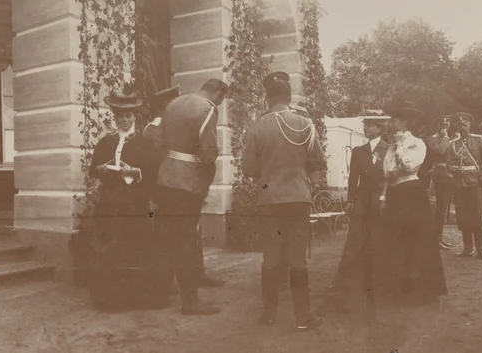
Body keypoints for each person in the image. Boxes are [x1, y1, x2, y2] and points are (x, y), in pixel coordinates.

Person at [243, 72, 326, 330]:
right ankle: (303, 318)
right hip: (299, 198)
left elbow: (247, 169)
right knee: (298, 258)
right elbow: (317, 162)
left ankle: (269, 314)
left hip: (268, 198)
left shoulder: (257, 127)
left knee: (271, 258)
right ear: (288, 97)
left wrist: (267, 178)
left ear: (268, 98)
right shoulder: (304, 125)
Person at [86, 86, 168, 311]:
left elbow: (154, 171)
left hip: (135, 202)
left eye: (128, 116)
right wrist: (102, 168)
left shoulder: (144, 143)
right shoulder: (106, 142)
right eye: (121, 116)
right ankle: (112, 298)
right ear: (116, 118)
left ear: (135, 116)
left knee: (136, 246)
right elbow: (93, 170)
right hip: (110, 203)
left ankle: (138, 297)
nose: (124, 120)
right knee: (111, 247)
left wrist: (135, 171)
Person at [139, 86, 227, 291]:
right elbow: (206, 153)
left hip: (171, 180)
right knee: (178, 236)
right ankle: (174, 285)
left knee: (187, 234)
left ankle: (194, 275)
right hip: (177, 183)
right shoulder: (151, 128)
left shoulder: (170, 119)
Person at [380, 100, 447, 305]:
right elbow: (387, 172)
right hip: (394, 194)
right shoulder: (391, 146)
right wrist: (383, 196)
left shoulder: (417, 143)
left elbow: (408, 166)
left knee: (414, 238)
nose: (391, 123)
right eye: (392, 119)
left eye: (395, 119)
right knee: (394, 238)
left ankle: (417, 288)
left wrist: (400, 148)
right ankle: (397, 286)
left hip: (411, 194)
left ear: (405, 122)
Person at [326, 115, 391, 320]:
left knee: (378, 239)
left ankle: (379, 282)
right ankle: (347, 282)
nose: (366, 128)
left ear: (379, 128)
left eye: (370, 125)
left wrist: (385, 197)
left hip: (380, 200)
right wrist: (350, 200)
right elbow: (353, 177)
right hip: (362, 201)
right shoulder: (358, 151)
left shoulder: (389, 149)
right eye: (365, 125)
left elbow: (391, 177)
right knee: (356, 240)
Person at [446, 112, 482, 260]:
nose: (463, 126)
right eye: (460, 124)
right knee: (463, 216)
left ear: (470, 125)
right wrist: (453, 169)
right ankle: (468, 247)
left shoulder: (478, 140)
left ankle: (480, 249)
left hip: (475, 183)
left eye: (465, 123)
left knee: (477, 217)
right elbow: (449, 163)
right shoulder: (453, 144)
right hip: (459, 184)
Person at [422, 115, 456, 250]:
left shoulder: (451, 139)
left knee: (443, 208)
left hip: (447, 175)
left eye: (448, 122)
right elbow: (440, 150)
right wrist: (446, 137)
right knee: (436, 208)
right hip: (435, 176)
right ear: (437, 125)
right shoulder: (431, 139)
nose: (445, 124)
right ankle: (433, 238)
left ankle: (439, 237)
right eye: (442, 122)